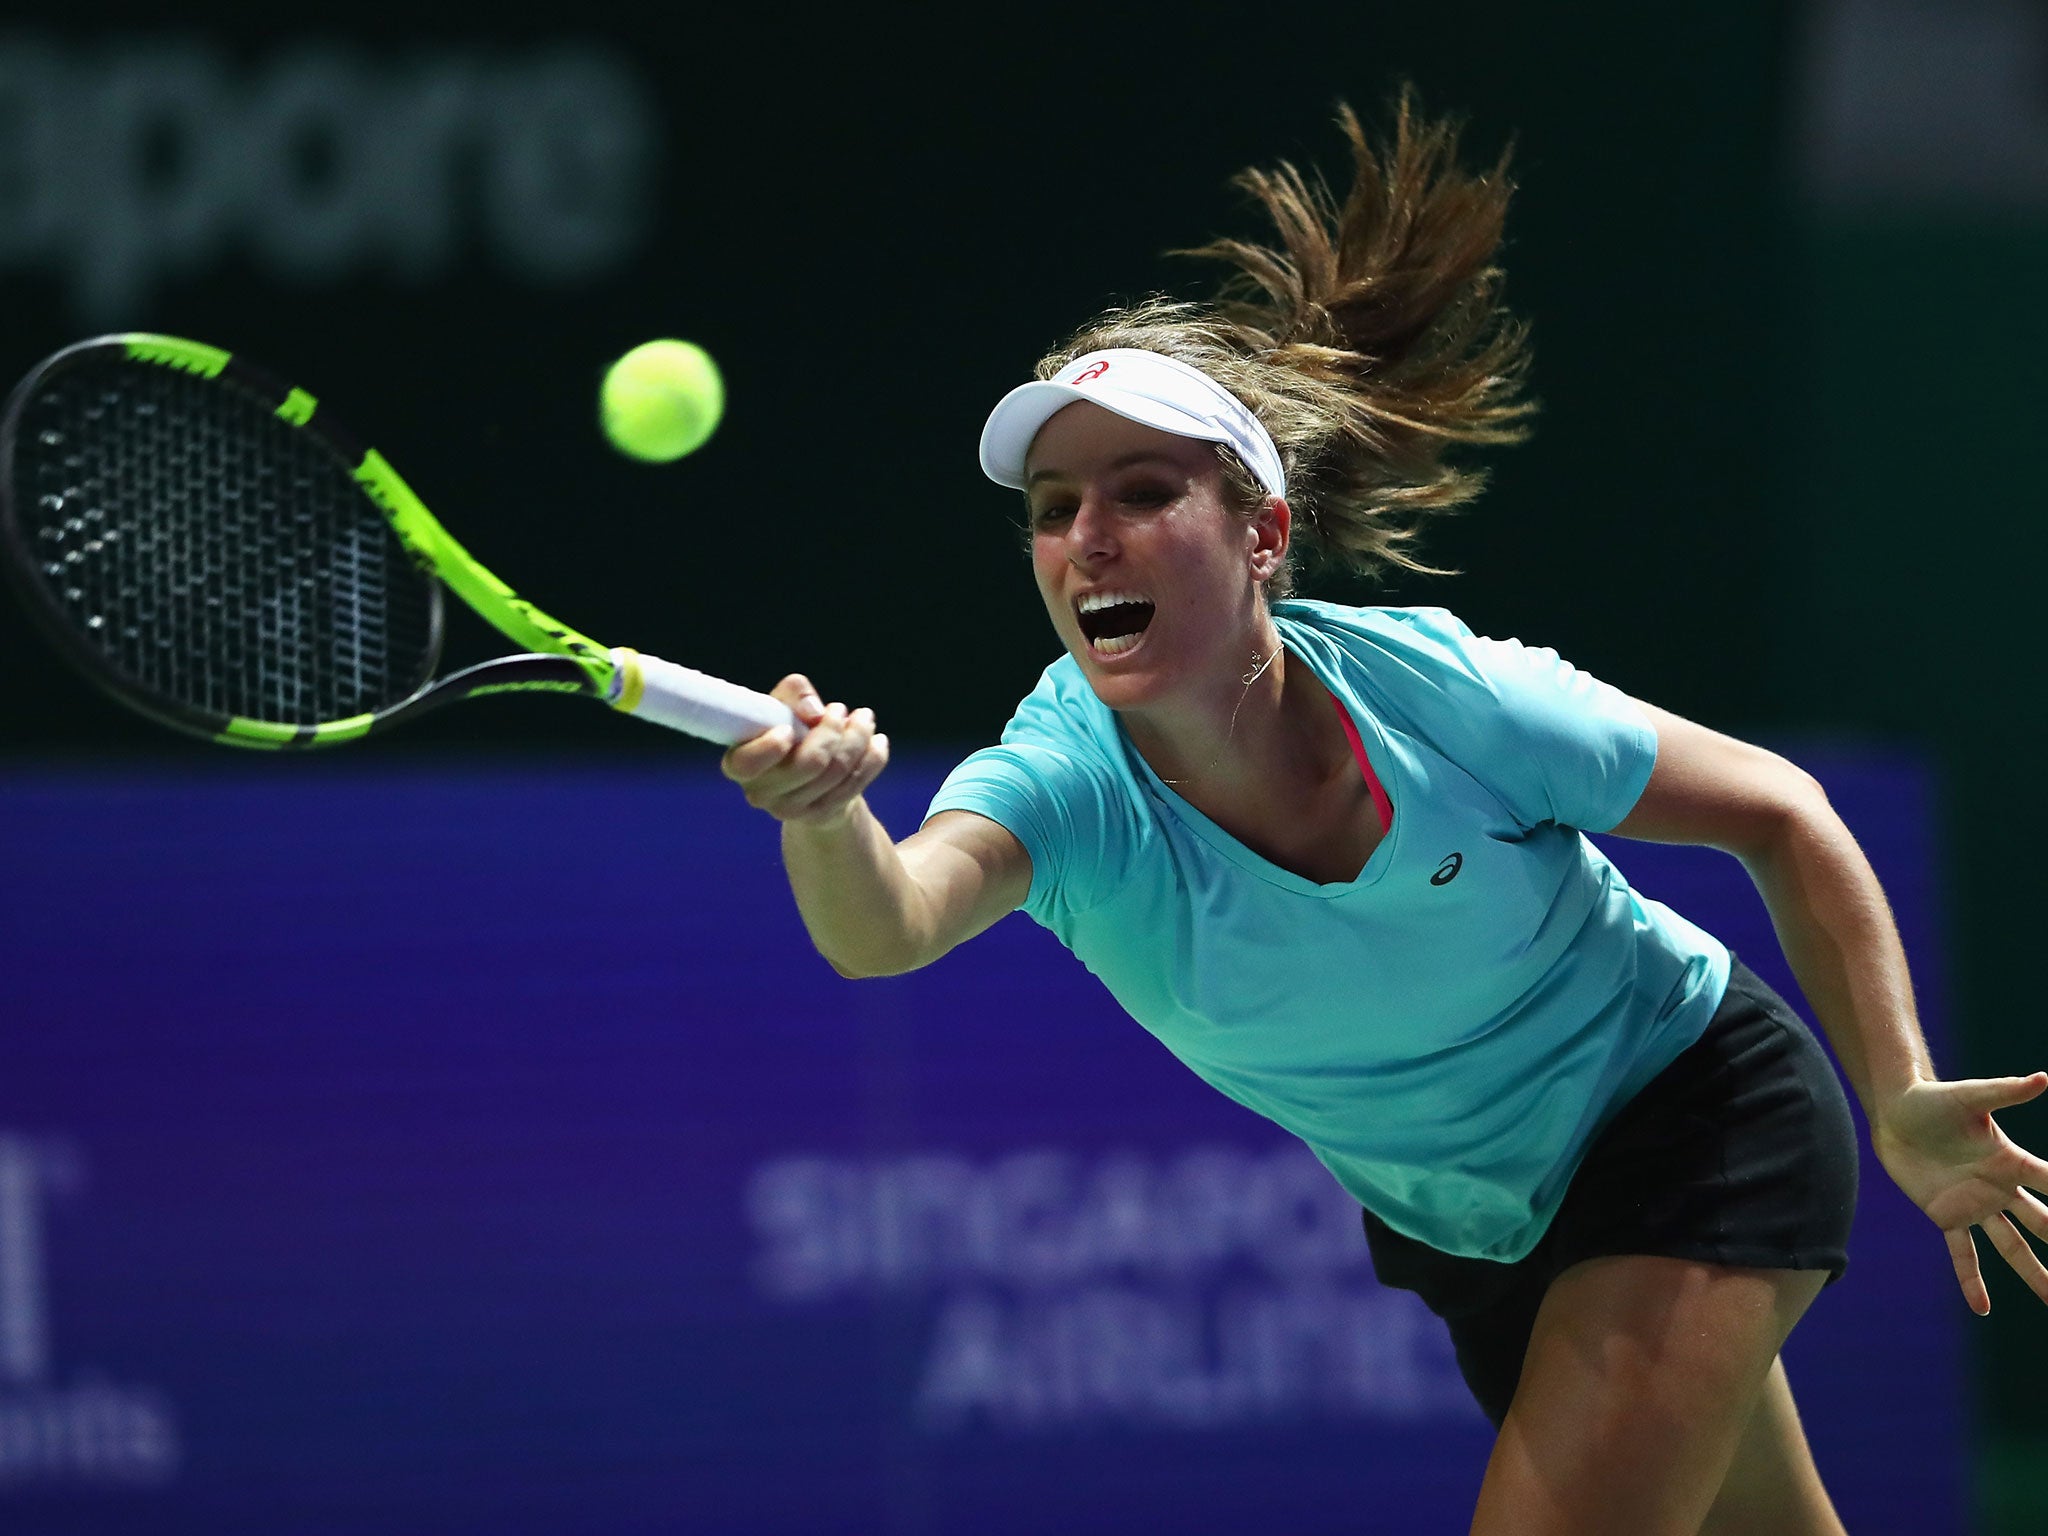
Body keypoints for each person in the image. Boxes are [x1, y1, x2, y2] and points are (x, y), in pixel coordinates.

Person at [722, 91, 2048, 1535]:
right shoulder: (1066, 781)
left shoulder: (1448, 696)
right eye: (1052, 505)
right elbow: (890, 925)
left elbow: (1782, 813)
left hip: (1687, 1119)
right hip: (1473, 1233)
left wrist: (1902, 1094)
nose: (1087, 536)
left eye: (1143, 489)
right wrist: (821, 814)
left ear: (1264, 532)